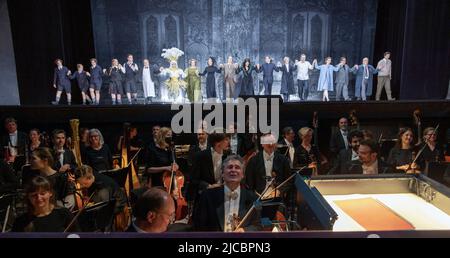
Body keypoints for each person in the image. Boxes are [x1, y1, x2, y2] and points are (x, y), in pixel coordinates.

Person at [193, 155, 259, 232]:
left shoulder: (252, 198)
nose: (233, 170)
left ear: (242, 175)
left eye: (237, 167)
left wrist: (245, 230)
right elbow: (199, 225)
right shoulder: (207, 196)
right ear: (223, 174)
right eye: (230, 167)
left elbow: (257, 225)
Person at [12, 176, 79, 232]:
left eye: (42, 193)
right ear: (28, 197)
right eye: (34, 195)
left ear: (50, 193)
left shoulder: (63, 214)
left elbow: (76, 235)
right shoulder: (20, 222)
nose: (39, 198)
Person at [190, 132, 230, 199]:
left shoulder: (228, 155)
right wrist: (209, 186)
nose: (229, 142)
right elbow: (194, 179)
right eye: (226, 139)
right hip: (205, 195)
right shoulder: (200, 156)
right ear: (217, 143)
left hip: (224, 194)